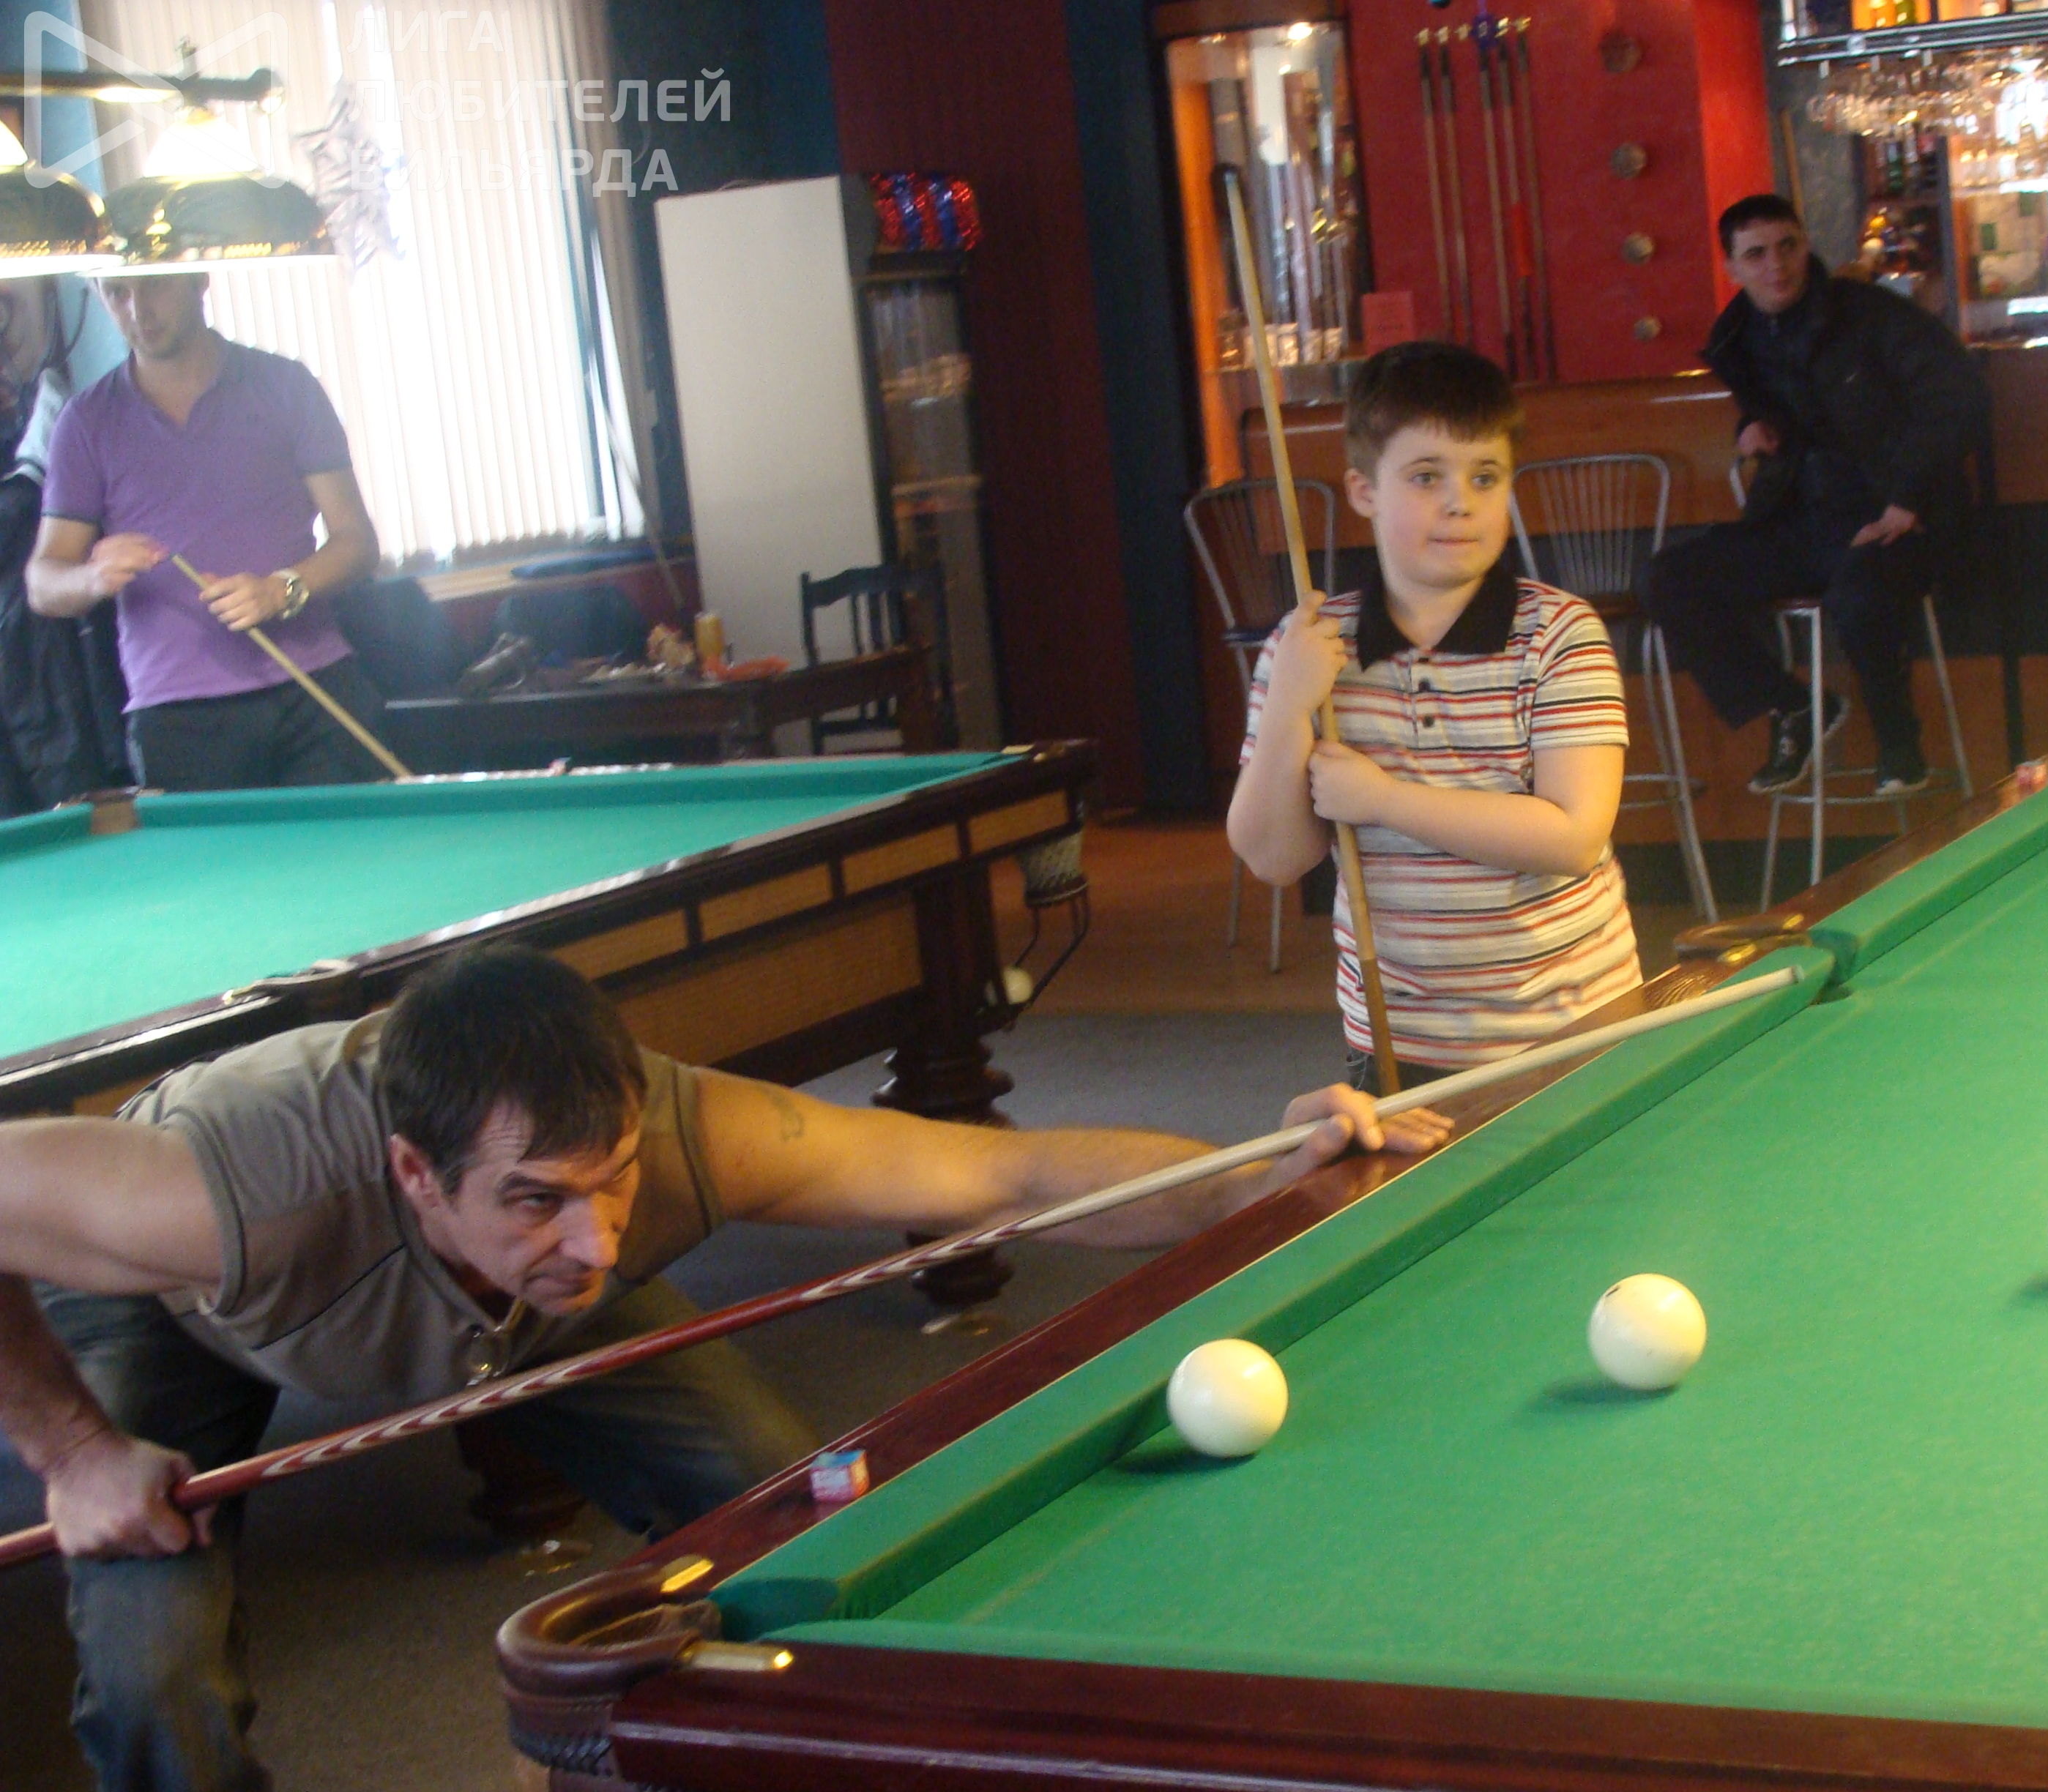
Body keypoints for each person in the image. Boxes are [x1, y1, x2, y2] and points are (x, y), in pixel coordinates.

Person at [0, 945, 1450, 1791]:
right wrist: (74, 1453)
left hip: (526, 1326)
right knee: (155, 1679)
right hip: (188, 1327)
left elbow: (1009, 1176)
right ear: (415, 1174)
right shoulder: (227, 1196)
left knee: (791, 1519)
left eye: (615, 1180)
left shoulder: (671, 1148)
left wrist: (1261, 1171)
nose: (597, 1235)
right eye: (538, 1197)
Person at [1228, 340, 1639, 1092]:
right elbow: (1274, 859)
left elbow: (1575, 837)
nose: (1460, 502)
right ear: (1363, 490)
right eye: (1426, 477)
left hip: (1575, 1028)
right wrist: (1287, 704)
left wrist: (1385, 800)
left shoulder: (1559, 634)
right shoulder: (1309, 650)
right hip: (1397, 1043)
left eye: (1485, 476)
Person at [1642, 194, 1987, 799]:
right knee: (1668, 578)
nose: (1776, 265)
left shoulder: (1871, 314)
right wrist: (1749, 425)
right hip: (1799, 518)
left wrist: (1908, 499)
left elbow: (1956, 395)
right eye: (1757, 254)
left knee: (1860, 591)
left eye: (1788, 246)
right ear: (1732, 268)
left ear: (1806, 246)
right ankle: (1794, 707)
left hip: (1895, 516)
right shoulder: (1737, 337)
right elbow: (1784, 404)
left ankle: (1899, 744)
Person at [25, 272, 385, 791]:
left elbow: (357, 542)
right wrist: (92, 578)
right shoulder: (84, 423)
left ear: (198, 279)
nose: (138, 310)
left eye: (154, 286)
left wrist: (280, 589)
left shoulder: (286, 386)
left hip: (313, 690)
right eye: (118, 293)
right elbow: (43, 582)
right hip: (177, 719)